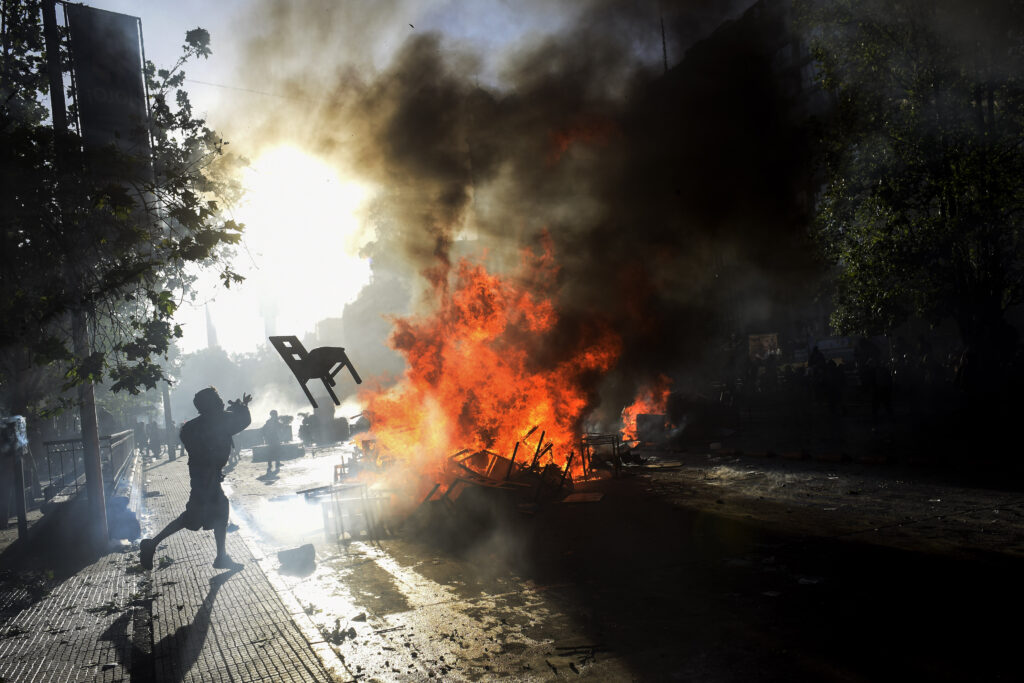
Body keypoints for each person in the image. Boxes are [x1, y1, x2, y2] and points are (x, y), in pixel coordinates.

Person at [139, 387, 251, 571]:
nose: (221, 401)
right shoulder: (218, 420)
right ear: (213, 404)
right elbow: (242, 421)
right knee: (194, 517)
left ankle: (221, 556)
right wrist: (243, 407)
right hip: (207, 477)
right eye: (218, 398)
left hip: (201, 475)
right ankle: (151, 544)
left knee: (217, 511)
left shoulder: (191, 427)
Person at [261, 409, 284, 474]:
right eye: (276, 414)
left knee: (273, 451)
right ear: (273, 415)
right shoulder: (273, 421)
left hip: (271, 439)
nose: (277, 415)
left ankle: (273, 464)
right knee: (275, 451)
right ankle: (275, 464)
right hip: (273, 439)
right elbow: (280, 426)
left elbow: (263, 429)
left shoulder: (269, 421)